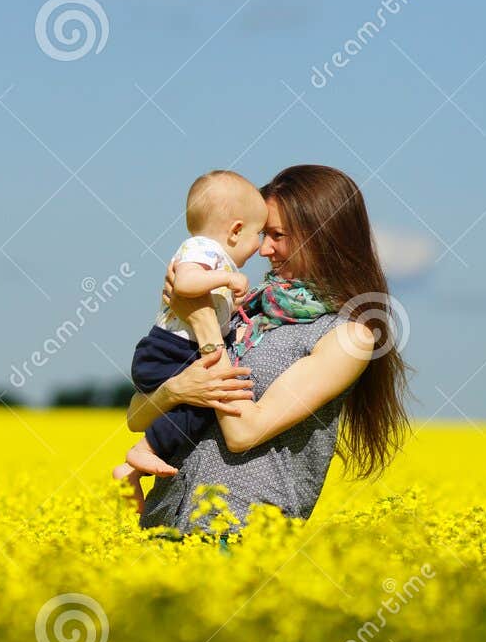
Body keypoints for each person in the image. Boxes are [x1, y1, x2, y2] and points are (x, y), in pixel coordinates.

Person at [125, 165, 410, 533]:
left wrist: (203, 323)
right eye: (262, 234)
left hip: (242, 537)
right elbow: (136, 417)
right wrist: (176, 389)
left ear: (323, 235)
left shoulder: (348, 337)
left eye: (277, 235)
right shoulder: (242, 308)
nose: (263, 249)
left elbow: (245, 432)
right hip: (165, 524)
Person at [110, 170, 267, 508]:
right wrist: (226, 277)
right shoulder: (203, 250)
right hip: (169, 350)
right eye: (259, 234)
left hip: (171, 351)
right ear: (236, 230)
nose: (261, 245)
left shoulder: (211, 255)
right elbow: (184, 286)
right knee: (206, 401)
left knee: (198, 405)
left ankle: (132, 471)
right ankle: (142, 453)